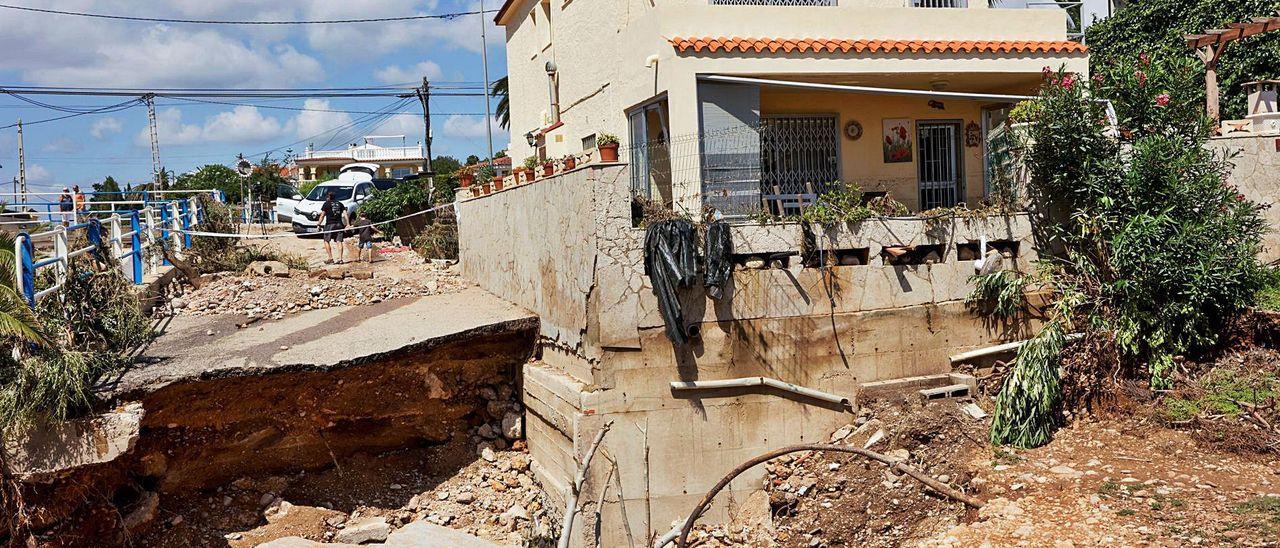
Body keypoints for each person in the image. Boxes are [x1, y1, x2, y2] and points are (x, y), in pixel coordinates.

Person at [320, 191, 348, 264]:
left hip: (329, 224)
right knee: (339, 241)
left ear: (329, 197)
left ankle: (330, 258)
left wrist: (318, 223)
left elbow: (322, 215)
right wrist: (347, 224)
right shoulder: (340, 204)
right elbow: (345, 214)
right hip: (339, 224)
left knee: (326, 240)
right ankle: (340, 259)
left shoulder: (326, 204)